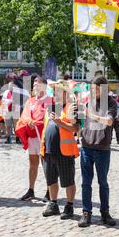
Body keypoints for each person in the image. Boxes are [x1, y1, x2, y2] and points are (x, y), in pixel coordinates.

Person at [78, 75, 118, 227]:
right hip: (86, 147)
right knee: (85, 183)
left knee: (103, 183)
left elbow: (108, 121)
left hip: (102, 149)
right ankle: (86, 212)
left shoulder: (111, 103)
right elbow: (80, 121)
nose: (93, 91)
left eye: (96, 89)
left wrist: (92, 115)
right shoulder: (88, 102)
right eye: (92, 89)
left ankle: (104, 212)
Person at [40, 79, 79, 219]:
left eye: (58, 92)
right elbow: (45, 128)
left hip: (65, 151)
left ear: (65, 93)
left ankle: (69, 206)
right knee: (51, 180)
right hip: (48, 150)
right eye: (54, 91)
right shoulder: (50, 108)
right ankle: (53, 204)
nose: (55, 94)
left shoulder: (71, 107)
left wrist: (60, 122)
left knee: (68, 180)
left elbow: (76, 128)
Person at [16, 76, 53, 202]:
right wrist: (29, 121)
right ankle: (31, 190)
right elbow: (24, 116)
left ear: (44, 86)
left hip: (44, 137)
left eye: (37, 85)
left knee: (46, 165)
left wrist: (40, 122)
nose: (34, 87)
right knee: (33, 164)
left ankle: (50, 190)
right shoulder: (30, 101)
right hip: (32, 136)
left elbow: (54, 119)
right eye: (34, 85)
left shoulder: (51, 100)